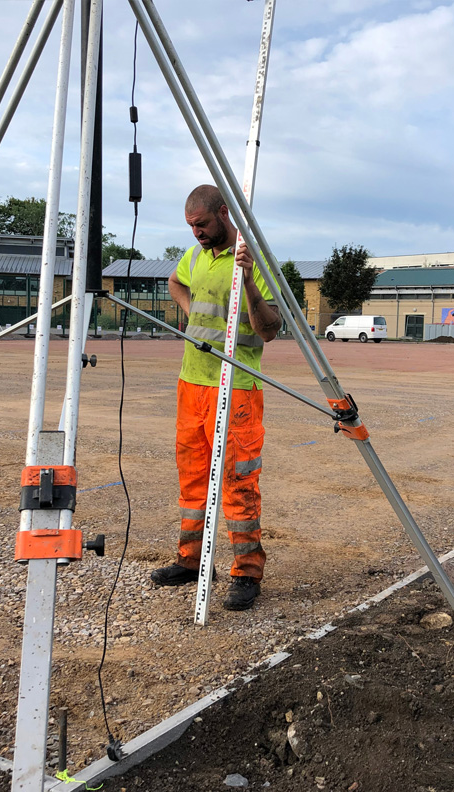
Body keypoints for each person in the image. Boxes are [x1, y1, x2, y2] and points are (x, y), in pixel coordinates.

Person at [150, 184, 282, 611]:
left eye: (202, 224)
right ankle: (191, 561)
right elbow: (174, 281)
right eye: (191, 226)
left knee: (238, 483)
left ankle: (246, 572)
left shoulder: (253, 259)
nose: (197, 234)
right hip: (193, 385)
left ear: (223, 213)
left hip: (238, 388)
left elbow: (269, 329)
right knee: (192, 479)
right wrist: (190, 311)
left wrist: (248, 283)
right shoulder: (195, 256)